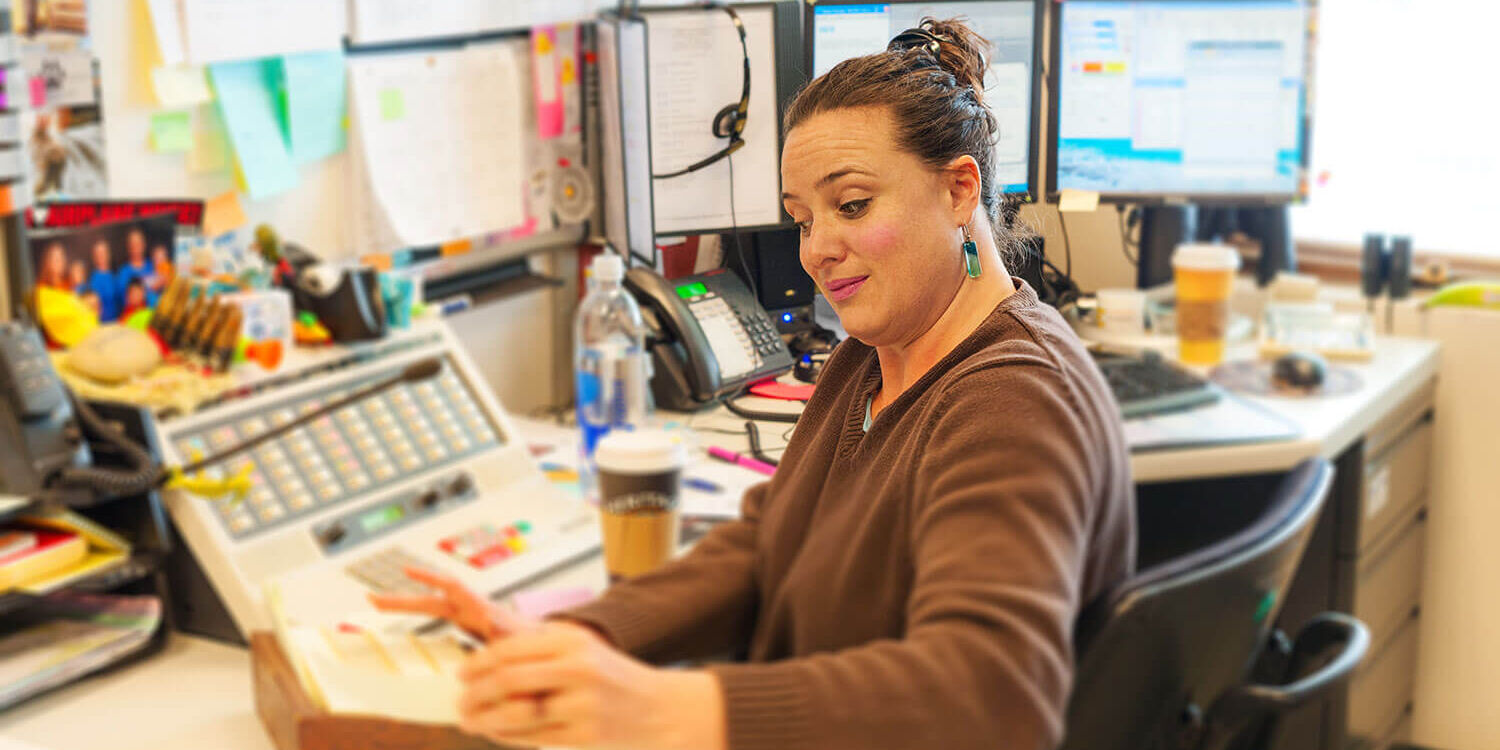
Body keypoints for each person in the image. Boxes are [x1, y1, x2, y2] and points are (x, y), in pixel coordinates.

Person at [372, 19, 1134, 750]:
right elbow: (770, 546)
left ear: (959, 190)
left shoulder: (1014, 400)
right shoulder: (870, 357)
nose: (818, 251)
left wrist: (669, 710)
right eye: (803, 220)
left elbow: (989, 696)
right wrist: (580, 636)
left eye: (853, 205)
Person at [115, 229, 155, 307]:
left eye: (138, 244)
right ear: (128, 247)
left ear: (144, 245)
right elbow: (125, 301)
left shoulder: (153, 265)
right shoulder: (123, 272)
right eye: (132, 244)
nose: (135, 247)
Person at [87, 239, 121, 322]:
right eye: (98, 254)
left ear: (108, 254)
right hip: (103, 325)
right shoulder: (93, 280)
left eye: (103, 252)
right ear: (94, 257)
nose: (101, 256)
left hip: (118, 322)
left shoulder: (115, 276)